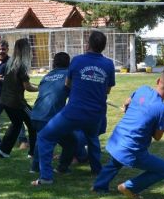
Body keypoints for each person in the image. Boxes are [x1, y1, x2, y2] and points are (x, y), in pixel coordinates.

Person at [34, 30, 116, 186]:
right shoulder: (108, 64)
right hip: (96, 113)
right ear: (103, 47)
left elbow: (67, 84)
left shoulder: (77, 61)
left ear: (88, 44)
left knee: (45, 136)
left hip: (74, 112)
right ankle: (96, 170)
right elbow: (107, 90)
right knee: (92, 139)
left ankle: (46, 177)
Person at [92, 68, 164, 199]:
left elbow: (127, 102)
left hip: (116, 140)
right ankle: (130, 187)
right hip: (132, 150)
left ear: (158, 80)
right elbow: (157, 137)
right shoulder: (163, 109)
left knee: (117, 160)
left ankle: (99, 186)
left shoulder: (143, 89)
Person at [30, 52, 76, 173]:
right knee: (71, 142)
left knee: (41, 140)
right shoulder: (68, 76)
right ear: (69, 64)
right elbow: (74, 96)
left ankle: (34, 168)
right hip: (50, 117)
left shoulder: (46, 76)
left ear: (54, 63)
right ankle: (62, 168)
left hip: (35, 114)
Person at [0, 38, 38, 157]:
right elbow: (27, 87)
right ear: (25, 50)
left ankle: (2, 150)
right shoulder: (21, 66)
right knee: (34, 122)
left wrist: (37, 86)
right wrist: (41, 88)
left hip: (5, 100)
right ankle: (33, 152)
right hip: (17, 102)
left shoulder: (10, 63)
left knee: (16, 124)